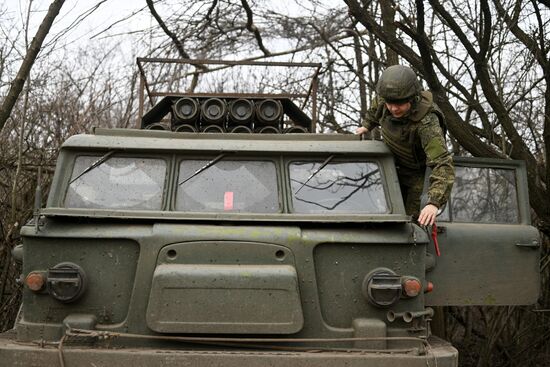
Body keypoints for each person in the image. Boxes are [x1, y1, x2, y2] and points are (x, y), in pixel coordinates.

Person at [356, 65, 454, 226]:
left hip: (417, 175)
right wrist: (367, 125)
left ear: (411, 98)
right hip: (388, 167)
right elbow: (376, 108)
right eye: (390, 103)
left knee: (408, 225)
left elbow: (442, 163)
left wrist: (433, 203)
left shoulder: (427, 123)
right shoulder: (386, 99)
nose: (393, 108)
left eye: (399, 104)